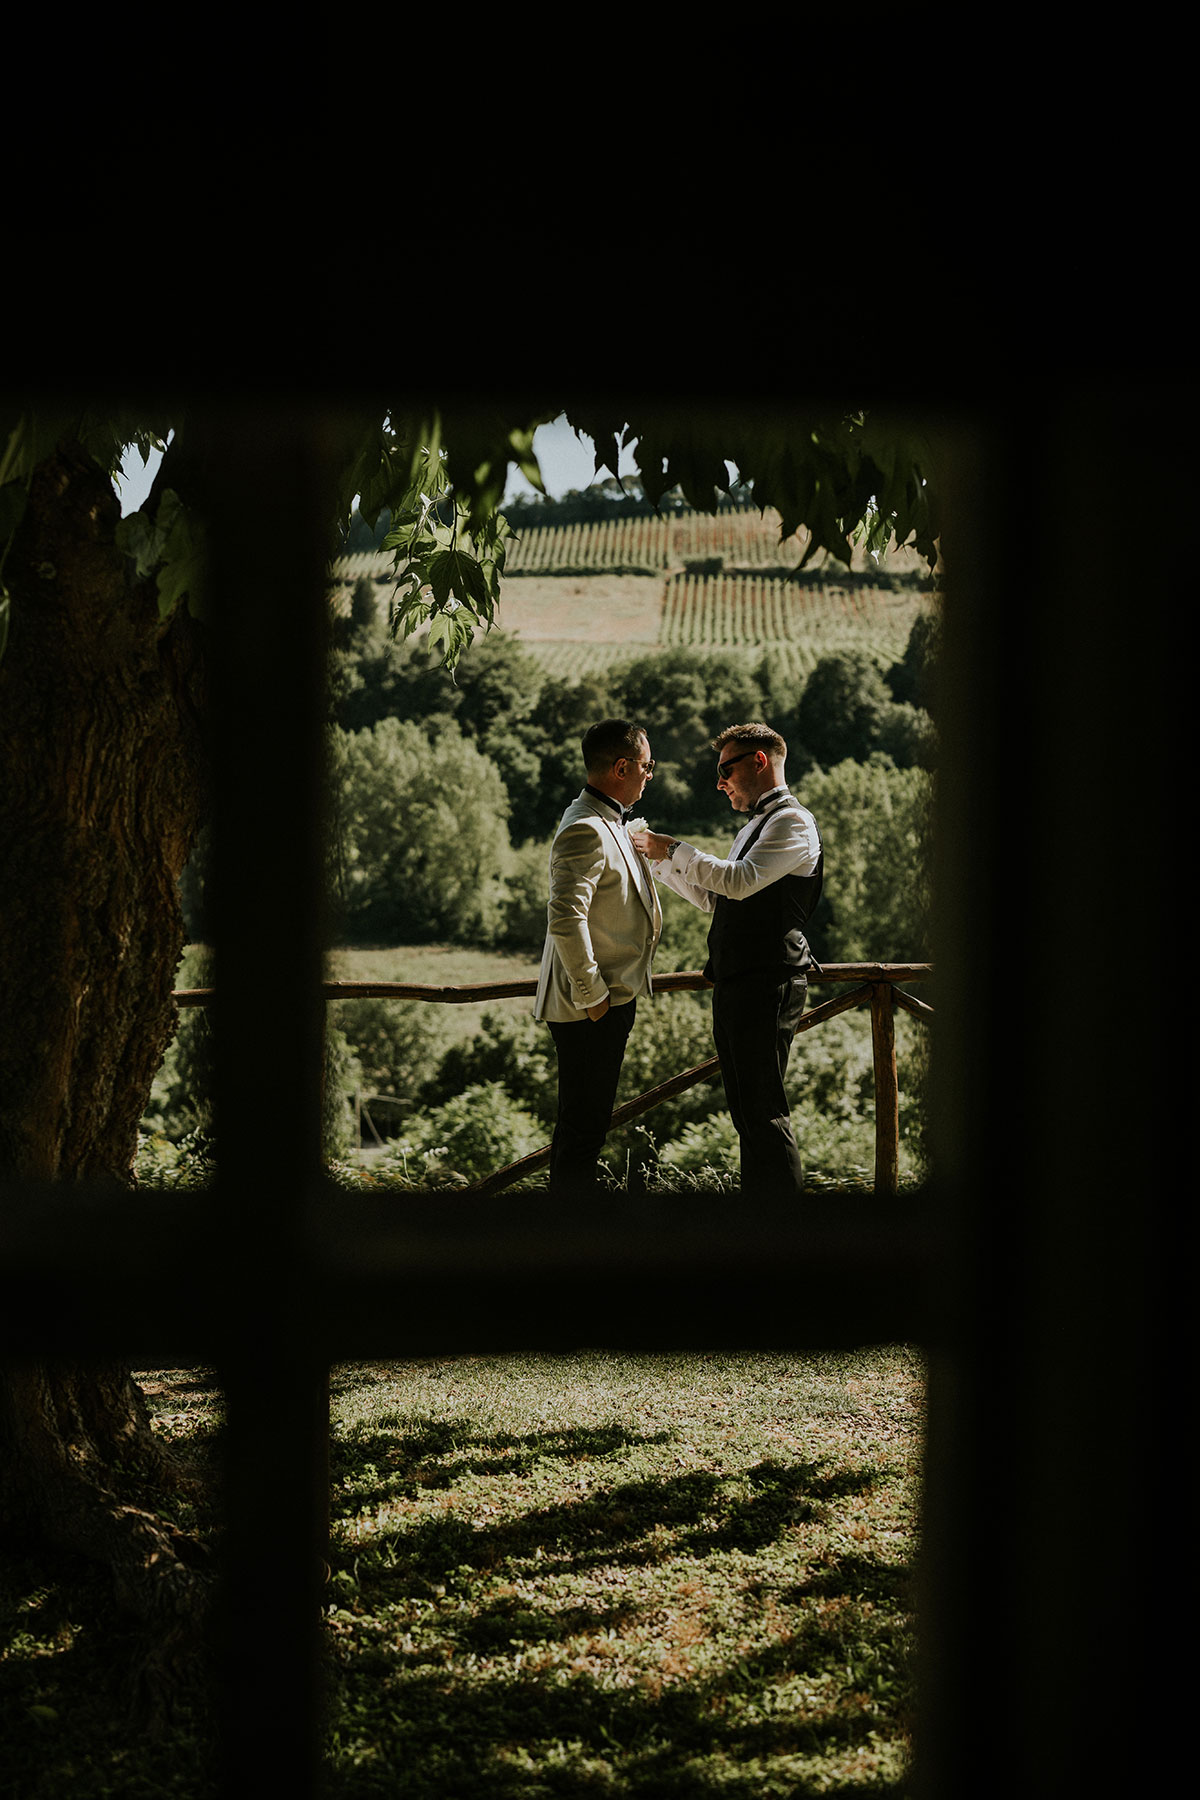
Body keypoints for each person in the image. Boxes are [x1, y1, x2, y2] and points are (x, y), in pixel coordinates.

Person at [630, 722, 822, 1197]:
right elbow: (717, 899)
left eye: (725, 769)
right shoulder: (755, 826)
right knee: (746, 1111)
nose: (720, 782)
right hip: (739, 981)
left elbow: (738, 881)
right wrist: (657, 862)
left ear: (759, 761)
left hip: (768, 981)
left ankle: (783, 1227)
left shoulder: (793, 822)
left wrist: (675, 848)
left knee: (763, 1110)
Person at [534, 719, 662, 1197]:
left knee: (585, 1127)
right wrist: (595, 998)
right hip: (592, 1007)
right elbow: (566, 918)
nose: (651, 775)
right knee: (582, 1132)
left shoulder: (606, 818)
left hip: (605, 1002)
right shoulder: (587, 826)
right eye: (648, 766)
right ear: (622, 766)